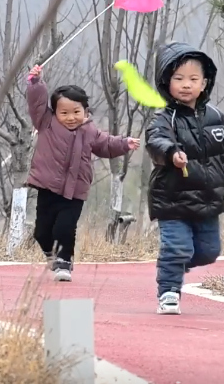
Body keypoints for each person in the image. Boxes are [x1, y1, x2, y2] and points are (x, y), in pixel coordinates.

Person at [146, 41, 224, 315]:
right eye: (178, 78)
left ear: (204, 83)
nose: (186, 85)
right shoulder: (164, 119)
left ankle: (172, 264)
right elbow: (155, 142)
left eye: (193, 79)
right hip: (172, 200)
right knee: (177, 248)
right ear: (166, 82)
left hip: (208, 200)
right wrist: (172, 153)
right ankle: (169, 292)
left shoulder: (216, 117)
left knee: (209, 252)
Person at [26, 64, 141, 282]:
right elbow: (37, 103)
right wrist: (36, 83)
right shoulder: (46, 123)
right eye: (64, 113)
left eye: (76, 112)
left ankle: (64, 262)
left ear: (86, 112)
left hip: (74, 191)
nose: (71, 117)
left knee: (65, 228)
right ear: (54, 112)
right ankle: (52, 256)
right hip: (48, 188)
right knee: (41, 232)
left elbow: (106, 144)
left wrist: (125, 144)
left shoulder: (90, 131)